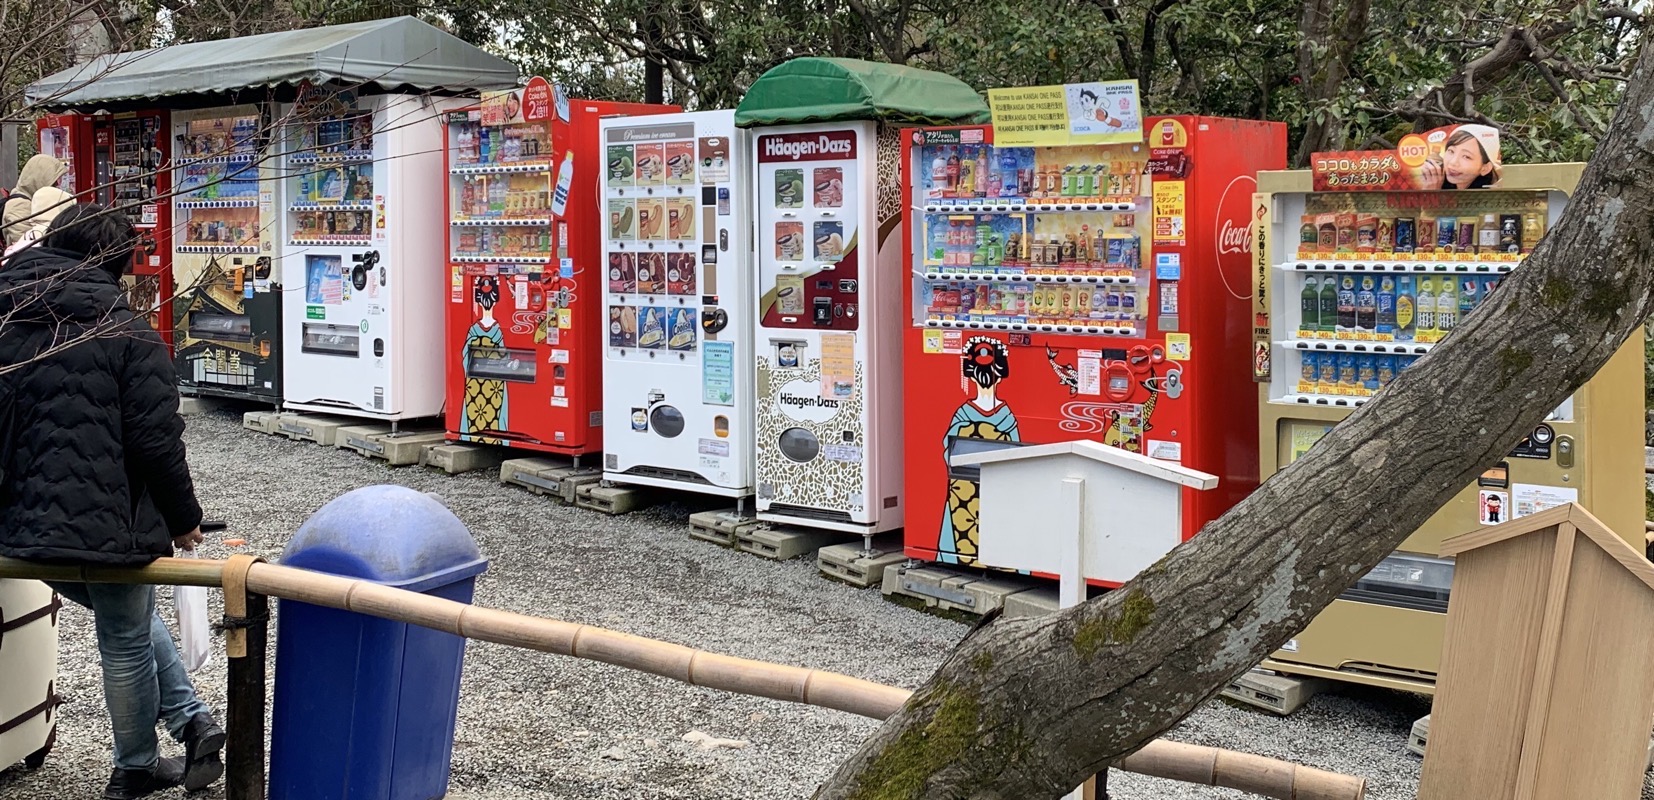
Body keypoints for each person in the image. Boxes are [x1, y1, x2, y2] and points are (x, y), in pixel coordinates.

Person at [0, 203, 225, 799]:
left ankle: (191, 720)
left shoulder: (8, 312)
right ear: (118, 265)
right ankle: (134, 767)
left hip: (14, 517)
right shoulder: (127, 332)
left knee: (125, 612)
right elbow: (157, 442)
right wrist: (184, 522)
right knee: (124, 630)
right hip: (107, 521)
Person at [3, 154, 69, 247]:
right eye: (53, 181)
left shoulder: (29, 201)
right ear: (40, 178)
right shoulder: (18, 205)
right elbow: (28, 245)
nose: (57, 184)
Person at [1419, 125, 1502, 190]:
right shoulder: (1441, 182)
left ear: (1485, 169)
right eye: (1451, 151)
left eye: (1466, 157)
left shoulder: (1491, 197)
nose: (1453, 162)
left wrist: (1431, 197)